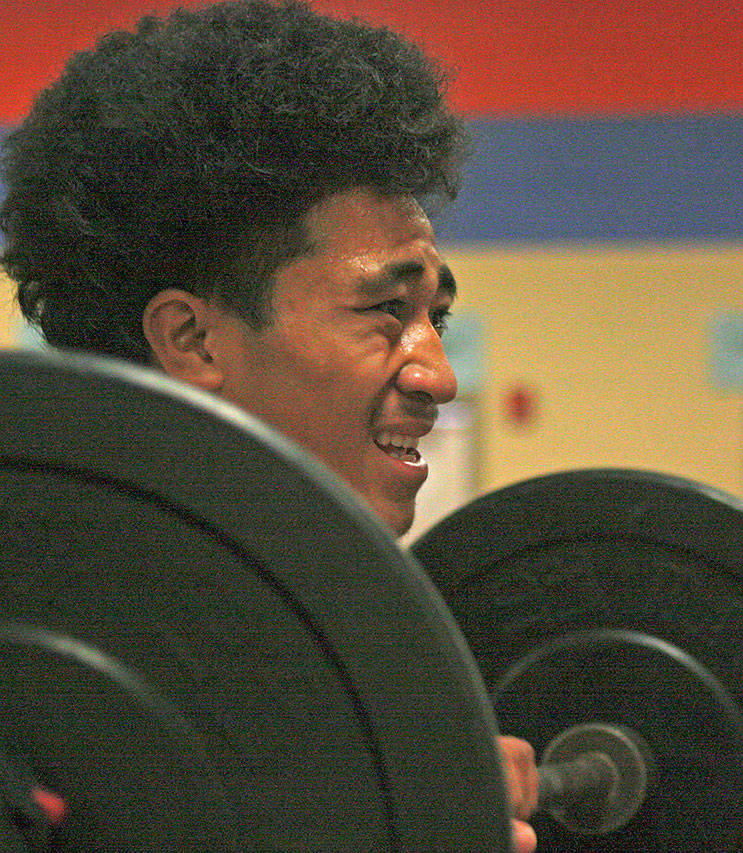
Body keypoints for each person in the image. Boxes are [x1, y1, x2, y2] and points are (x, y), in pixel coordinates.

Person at [0, 1, 537, 848]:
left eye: (437, 314)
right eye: (384, 311)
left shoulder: (314, 673)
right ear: (192, 338)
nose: (437, 372)